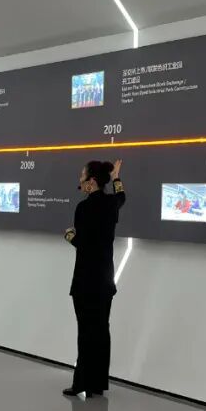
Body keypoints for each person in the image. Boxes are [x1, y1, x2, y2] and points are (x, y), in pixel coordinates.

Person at [63, 159, 126, 398]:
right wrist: (117, 177)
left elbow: (83, 244)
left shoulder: (83, 208)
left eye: (82, 176)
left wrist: (70, 236)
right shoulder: (111, 204)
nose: (80, 180)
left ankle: (81, 382)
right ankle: (97, 384)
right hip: (105, 281)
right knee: (101, 331)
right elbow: (122, 197)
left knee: (85, 333)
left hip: (85, 281)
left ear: (91, 181)